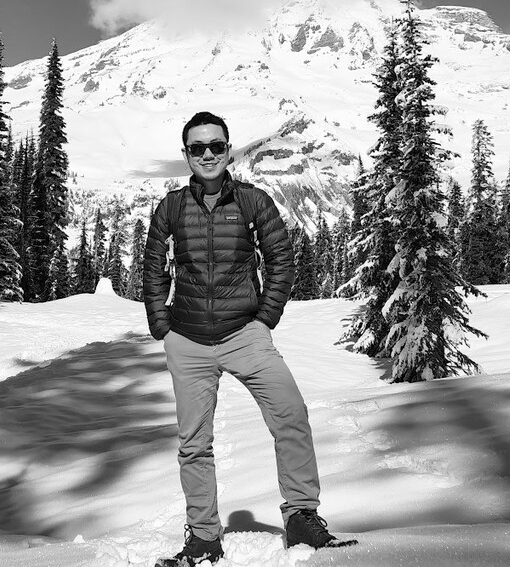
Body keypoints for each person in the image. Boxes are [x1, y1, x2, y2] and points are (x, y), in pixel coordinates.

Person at [143, 111, 355, 566]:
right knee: (194, 443)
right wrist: (162, 327)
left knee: (291, 416)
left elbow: (281, 259)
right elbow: (154, 268)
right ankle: (203, 538)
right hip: (188, 340)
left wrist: (265, 320)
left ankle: (301, 516)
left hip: (245, 334)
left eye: (215, 146)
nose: (207, 154)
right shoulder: (171, 207)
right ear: (186, 155)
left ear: (228, 149)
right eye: (197, 148)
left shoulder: (254, 201)